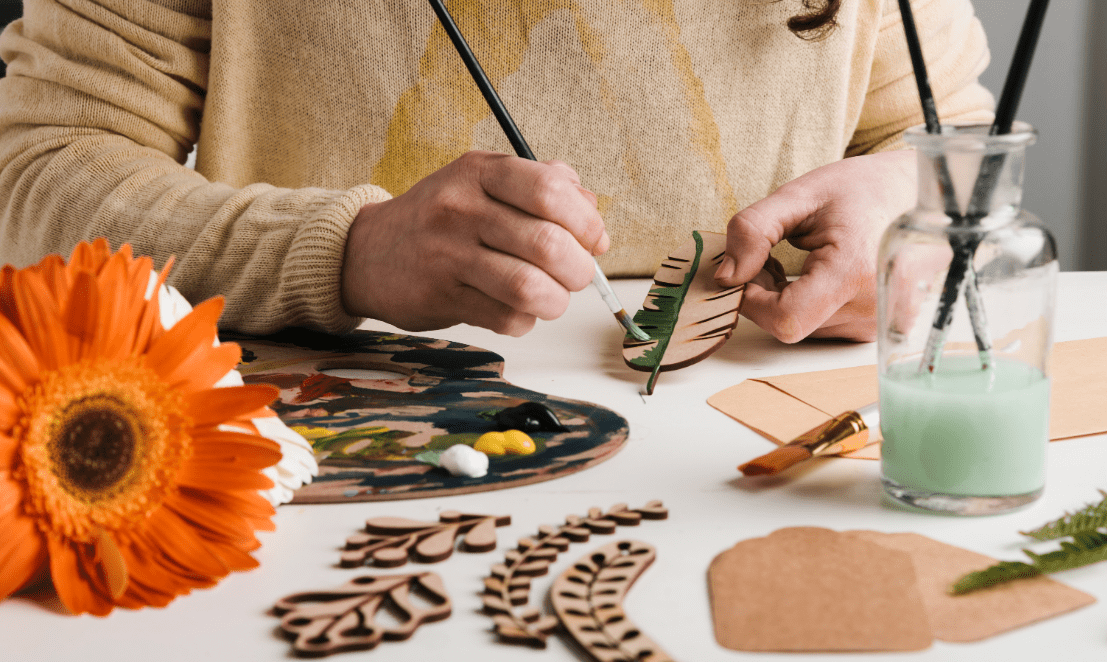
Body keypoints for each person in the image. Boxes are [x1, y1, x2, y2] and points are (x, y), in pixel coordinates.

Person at [0, 0, 994, 342]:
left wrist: (909, 209)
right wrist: (347, 252)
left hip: (757, 466)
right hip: (334, 468)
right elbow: (36, 172)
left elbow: (951, 150)